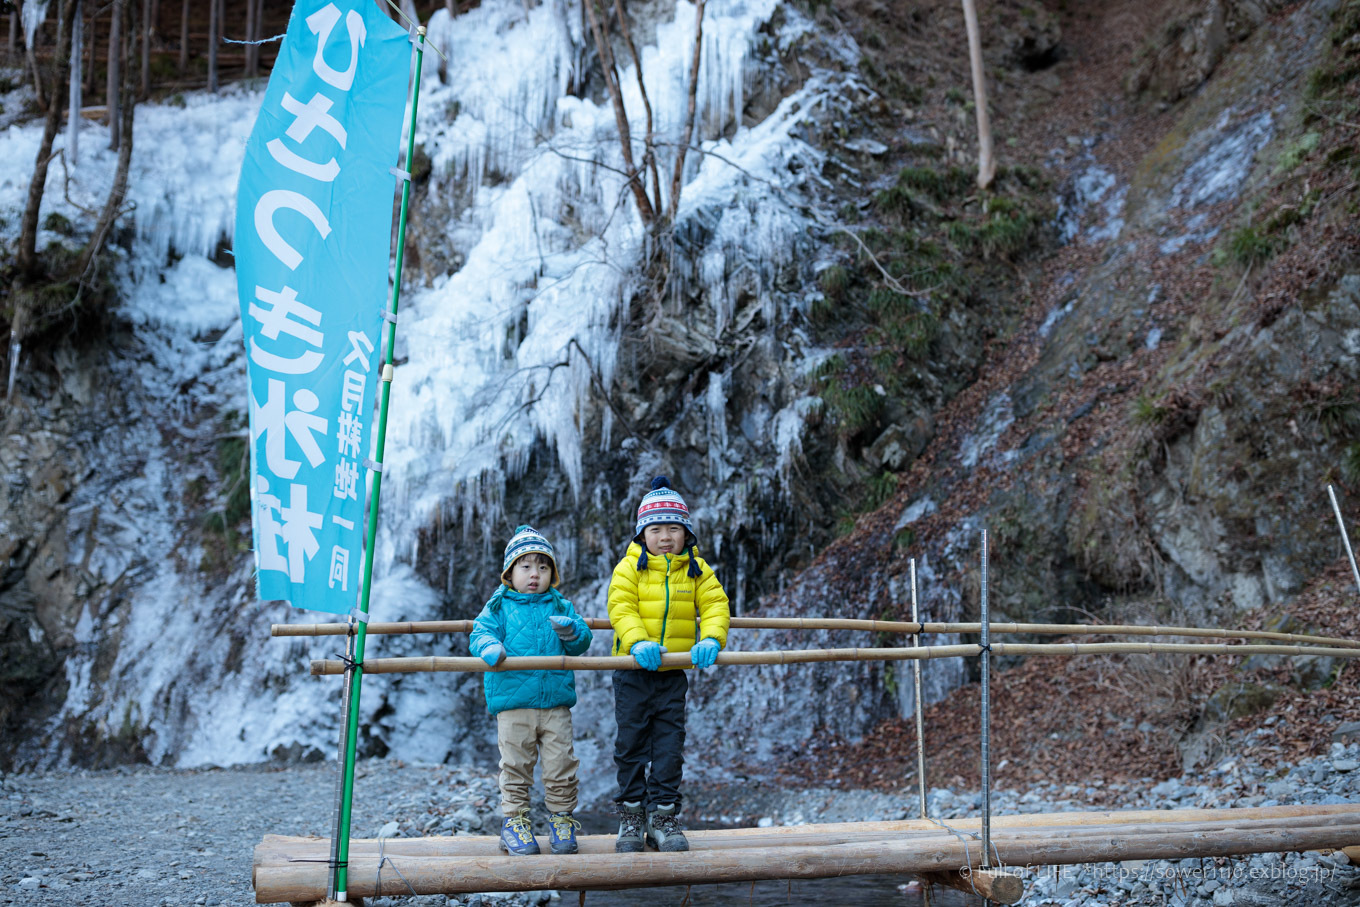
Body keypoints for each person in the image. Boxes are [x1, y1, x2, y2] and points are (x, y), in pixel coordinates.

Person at [607, 476, 730, 853]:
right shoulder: (629, 568)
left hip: (673, 673)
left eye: (673, 528)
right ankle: (631, 815)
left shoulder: (696, 570)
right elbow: (620, 606)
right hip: (633, 672)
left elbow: (715, 605)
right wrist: (637, 641)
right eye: (656, 529)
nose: (664, 536)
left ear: (686, 533)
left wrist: (711, 638)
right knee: (630, 745)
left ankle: (662, 815)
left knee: (669, 746)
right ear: (643, 534)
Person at [469, 525, 593, 856]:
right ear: (510, 572)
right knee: (515, 765)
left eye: (542, 566)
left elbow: (582, 641)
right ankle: (515, 822)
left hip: (555, 703)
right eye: (526, 566)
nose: (534, 574)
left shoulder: (561, 604)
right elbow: (479, 632)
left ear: (553, 573)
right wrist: (490, 646)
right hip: (513, 703)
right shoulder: (498, 605)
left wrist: (571, 633)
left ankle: (562, 819)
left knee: (561, 764)